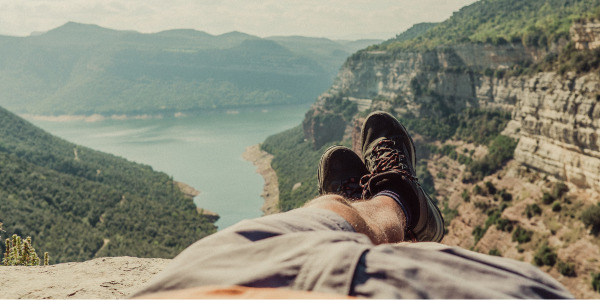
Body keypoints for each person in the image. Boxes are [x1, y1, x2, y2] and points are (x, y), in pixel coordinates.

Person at [131, 111, 573, 299]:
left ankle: (374, 204)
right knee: (326, 223)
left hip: (186, 289)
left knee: (312, 218)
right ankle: (398, 200)